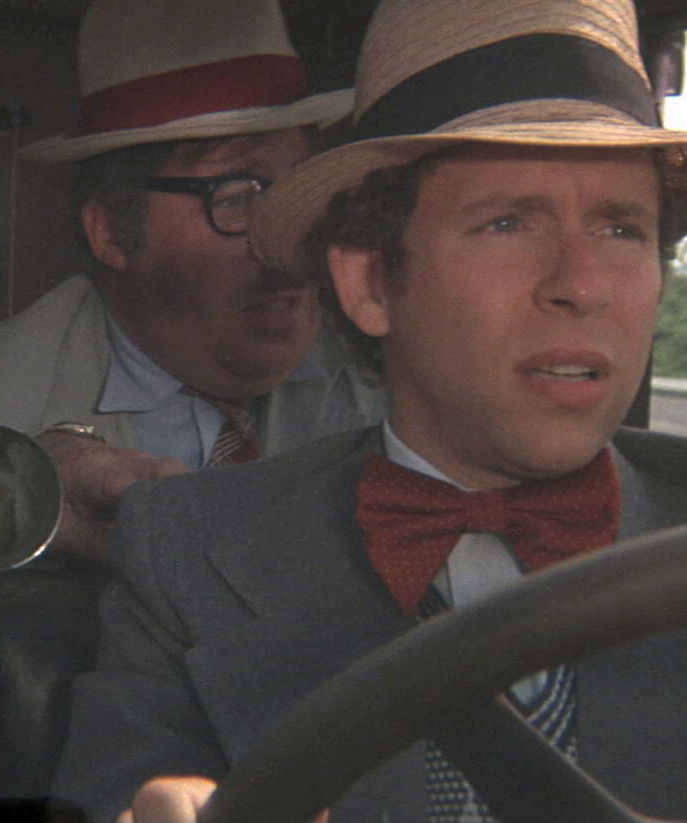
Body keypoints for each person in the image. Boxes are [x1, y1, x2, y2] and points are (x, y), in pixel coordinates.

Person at [51, 0, 687, 820]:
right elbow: (117, 793)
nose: (582, 283)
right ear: (369, 282)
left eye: (621, 229)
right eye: (506, 223)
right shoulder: (188, 550)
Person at [0, 0, 387, 559]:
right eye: (236, 197)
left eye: (301, 192)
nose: (290, 242)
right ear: (110, 230)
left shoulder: (400, 385)